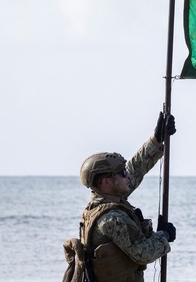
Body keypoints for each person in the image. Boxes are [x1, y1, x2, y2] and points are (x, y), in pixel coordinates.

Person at [73, 112, 177, 282]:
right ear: (106, 182)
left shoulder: (101, 202)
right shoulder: (112, 219)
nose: (127, 175)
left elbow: (135, 169)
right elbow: (144, 253)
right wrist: (164, 235)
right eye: (121, 173)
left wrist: (157, 139)